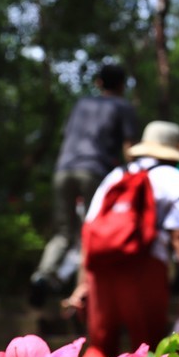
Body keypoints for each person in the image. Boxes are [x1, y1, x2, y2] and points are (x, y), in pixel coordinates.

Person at [63, 121, 179, 357]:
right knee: (147, 348)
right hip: (144, 266)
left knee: (99, 346)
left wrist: (82, 283)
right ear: (175, 151)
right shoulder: (174, 178)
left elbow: (90, 231)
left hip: (102, 268)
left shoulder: (116, 175)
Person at [30, 64, 139, 306]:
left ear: (99, 83)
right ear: (122, 85)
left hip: (63, 169)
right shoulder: (123, 106)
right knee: (93, 229)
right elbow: (129, 146)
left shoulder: (80, 104)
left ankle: (42, 275)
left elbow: (66, 135)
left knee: (63, 232)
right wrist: (134, 173)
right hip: (95, 170)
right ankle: (85, 286)